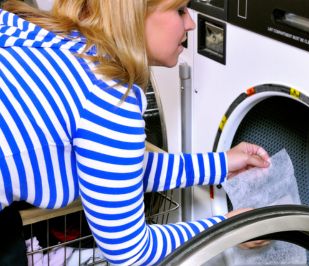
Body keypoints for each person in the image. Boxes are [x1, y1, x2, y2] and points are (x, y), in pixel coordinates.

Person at [0, 0, 270, 265]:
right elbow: (131, 253)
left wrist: (219, 164)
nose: (190, 23)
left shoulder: (61, 43)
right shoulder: (109, 94)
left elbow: (118, 170)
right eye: (179, 10)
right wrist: (229, 228)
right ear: (135, 14)